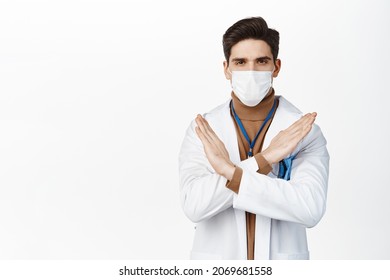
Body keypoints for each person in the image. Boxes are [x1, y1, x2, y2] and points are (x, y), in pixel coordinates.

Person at [178, 17, 330, 260]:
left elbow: (310, 208)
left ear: (276, 67)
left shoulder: (304, 131)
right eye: (240, 62)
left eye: (261, 61)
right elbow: (195, 206)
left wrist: (229, 172)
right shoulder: (204, 129)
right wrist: (265, 159)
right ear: (226, 68)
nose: (251, 71)